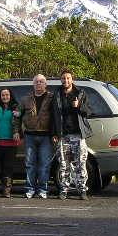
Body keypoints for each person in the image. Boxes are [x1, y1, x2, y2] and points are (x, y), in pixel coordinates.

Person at [52, 70, 93, 200]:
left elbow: (89, 112)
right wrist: (54, 133)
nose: (66, 81)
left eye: (68, 78)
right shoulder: (57, 94)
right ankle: (64, 190)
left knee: (81, 163)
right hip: (62, 135)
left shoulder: (80, 93)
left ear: (72, 79)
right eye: (63, 78)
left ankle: (82, 190)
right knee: (63, 163)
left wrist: (79, 105)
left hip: (77, 134)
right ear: (61, 80)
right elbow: (53, 116)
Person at [16, 74, 54, 199]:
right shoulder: (25, 99)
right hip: (30, 136)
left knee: (44, 165)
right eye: (36, 82)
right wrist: (17, 131)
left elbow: (57, 118)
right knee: (30, 164)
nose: (39, 83)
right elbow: (17, 115)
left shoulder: (52, 98)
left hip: (46, 137)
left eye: (41, 81)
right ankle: (30, 189)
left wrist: (56, 134)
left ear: (45, 84)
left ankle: (43, 190)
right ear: (33, 84)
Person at [0, 88, 21, 197]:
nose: (5, 97)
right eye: (3, 95)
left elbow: (19, 120)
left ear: (10, 96)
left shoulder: (16, 107)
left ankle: (7, 189)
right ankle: (4, 186)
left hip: (11, 142)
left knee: (8, 166)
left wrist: (17, 131)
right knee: (1, 166)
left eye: (7, 95)